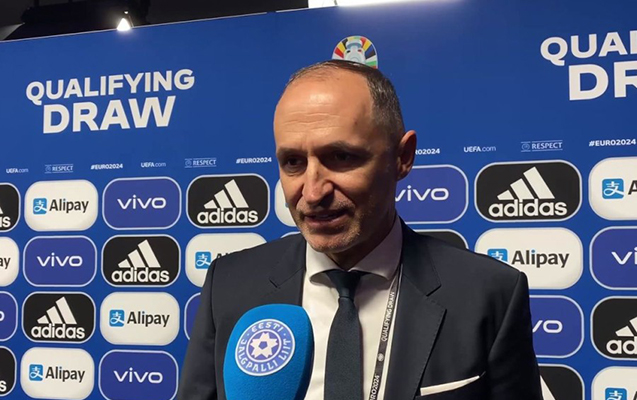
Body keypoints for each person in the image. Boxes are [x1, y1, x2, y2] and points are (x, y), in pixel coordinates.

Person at [178, 60, 542, 400]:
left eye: (341, 157)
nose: (313, 192)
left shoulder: (488, 293)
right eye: (293, 162)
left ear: (403, 157)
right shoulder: (229, 285)